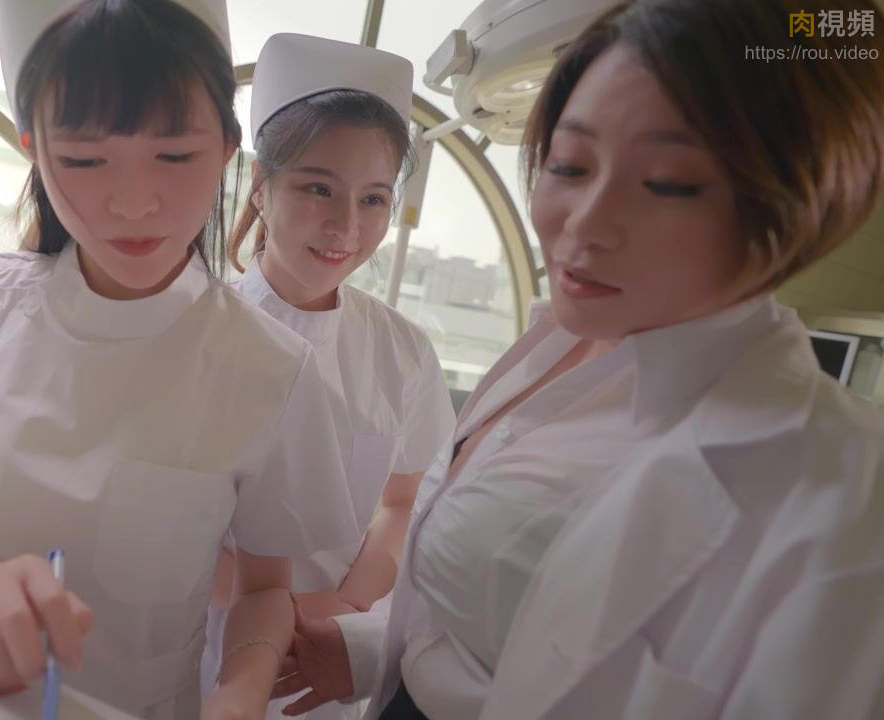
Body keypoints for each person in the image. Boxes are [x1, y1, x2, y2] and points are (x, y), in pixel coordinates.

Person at [271, 1, 884, 718]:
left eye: (669, 183)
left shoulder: (847, 499)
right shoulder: (560, 342)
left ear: (797, 202)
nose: (585, 222)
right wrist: (374, 648)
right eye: (569, 165)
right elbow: (510, 606)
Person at [0, 2, 362, 718]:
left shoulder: (270, 369)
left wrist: (240, 691)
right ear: (34, 150)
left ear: (228, 151)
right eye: (83, 159)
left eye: (174, 156)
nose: (132, 203)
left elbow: (263, 589)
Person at [200, 34, 456, 720]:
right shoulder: (196, 332)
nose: (346, 225)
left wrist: (341, 606)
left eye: (374, 199)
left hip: (328, 657)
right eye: (319, 188)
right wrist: (270, 609)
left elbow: (404, 501)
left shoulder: (403, 351)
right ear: (261, 184)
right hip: (193, 641)